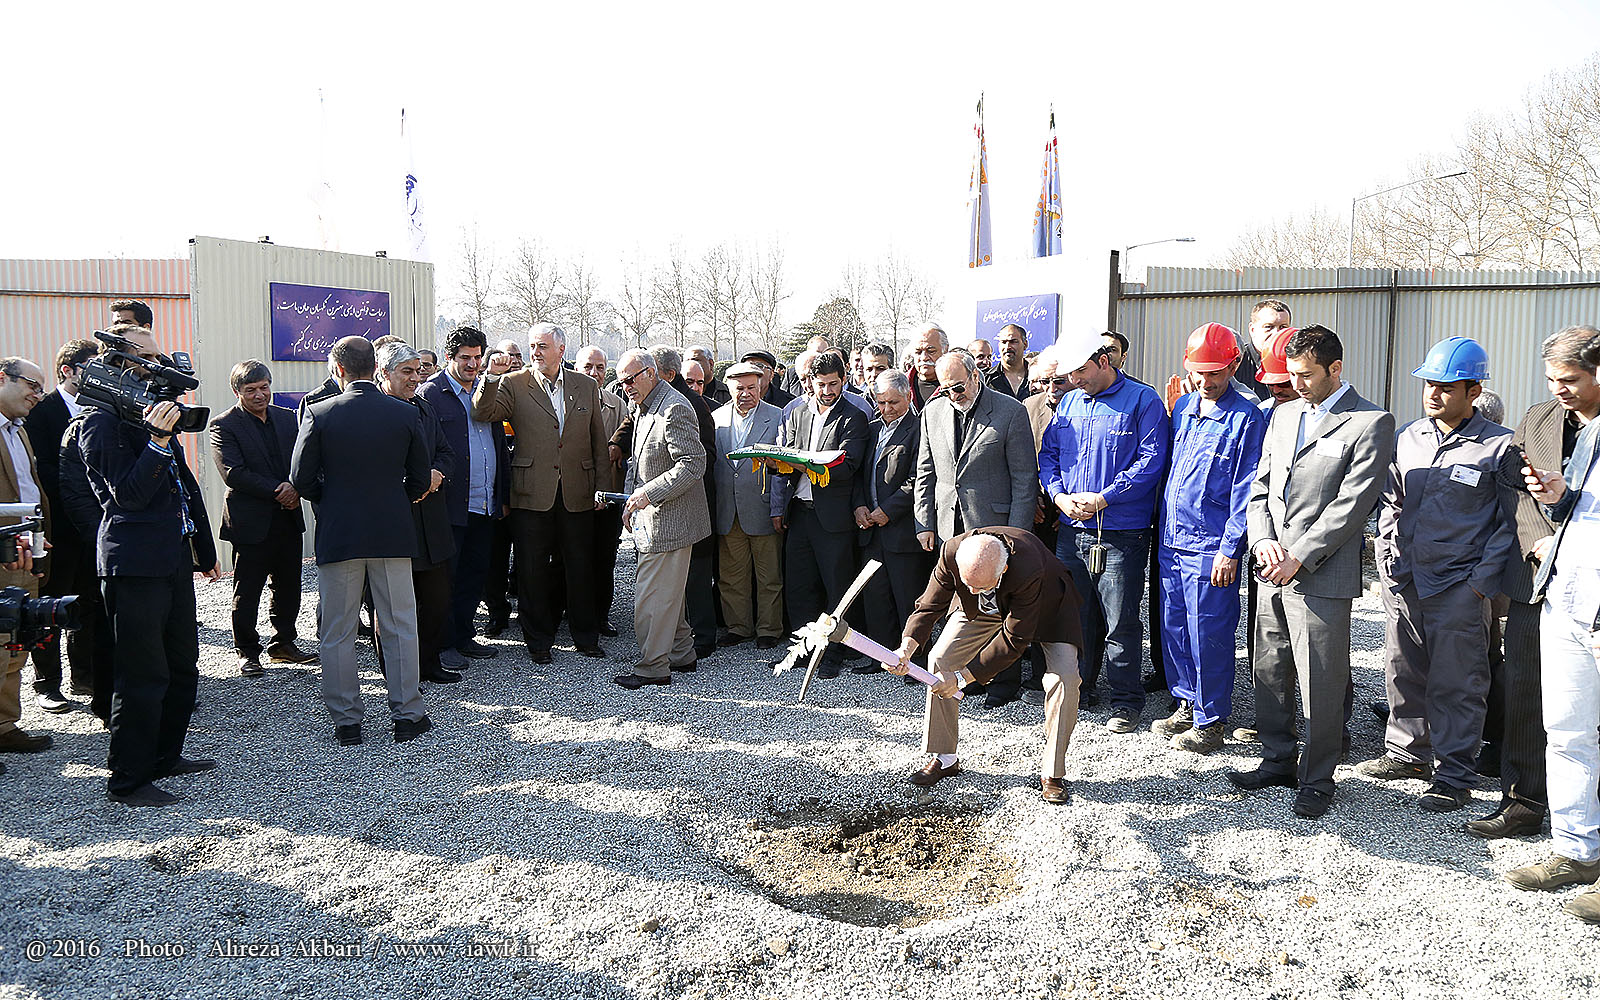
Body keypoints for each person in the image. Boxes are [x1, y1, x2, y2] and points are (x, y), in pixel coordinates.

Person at [1228, 325, 1395, 820]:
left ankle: (1319, 777)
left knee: (1321, 680)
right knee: (1269, 668)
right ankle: (1277, 759)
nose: (1296, 385)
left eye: (1306, 375)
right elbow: (1260, 487)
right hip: (1271, 567)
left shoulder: (1369, 422)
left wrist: (1298, 555)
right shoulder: (1283, 415)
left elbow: (1352, 504)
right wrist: (1262, 540)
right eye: (1291, 375)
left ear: (1335, 369)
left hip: (1320, 574)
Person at [1360, 338, 1516, 811]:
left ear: (1474, 391)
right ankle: (1408, 752)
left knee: (1457, 682)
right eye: (1429, 383)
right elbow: (1391, 501)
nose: (1434, 394)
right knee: (1403, 667)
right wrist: (1386, 553)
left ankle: (1454, 774)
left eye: (1447, 387)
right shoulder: (1408, 437)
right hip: (1405, 578)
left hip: (1459, 586)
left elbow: (1510, 524)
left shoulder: (1500, 447)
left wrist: (1479, 585)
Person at [77, 327, 222, 805]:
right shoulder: (99, 423)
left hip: (171, 555)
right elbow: (130, 495)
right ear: (119, 361)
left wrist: (203, 550)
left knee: (181, 664)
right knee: (142, 673)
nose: (159, 369)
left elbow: (183, 487)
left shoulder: (146, 414)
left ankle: (164, 756)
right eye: (149, 358)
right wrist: (159, 439)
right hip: (134, 563)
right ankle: (128, 779)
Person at [1472, 328, 1600, 839]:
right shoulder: (1538, 418)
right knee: (1525, 690)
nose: (1558, 389)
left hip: (1591, 583)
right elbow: (1513, 488)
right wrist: (1538, 542)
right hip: (1535, 579)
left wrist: (1567, 539)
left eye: (1569, 380)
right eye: (1551, 379)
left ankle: (1586, 817)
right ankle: (1523, 801)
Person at [291, 336, 432, 747]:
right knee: (400, 624)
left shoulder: (319, 413)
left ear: (338, 370)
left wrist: (332, 500)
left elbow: (301, 479)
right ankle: (407, 714)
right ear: (375, 367)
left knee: (337, 630)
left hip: (341, 533)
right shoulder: (404, 413)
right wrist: (396, 500)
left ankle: (347, 721)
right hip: (392, 531)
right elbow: (420, 478)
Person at [891, 529, 1084, 804]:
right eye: (967, 584)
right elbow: (929, 606)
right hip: (983, 609)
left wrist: (961, 679)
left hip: (1047, 608)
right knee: (940, 659)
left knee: (1064, 679)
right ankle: (945, 757)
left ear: (1003, 569)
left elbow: (1014, 640)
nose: (970, 591)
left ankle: (1052, 772)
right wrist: (906, 649)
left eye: (978, 586)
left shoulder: (1029, 567)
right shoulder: (952, 553)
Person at [1039, 329, 1170, 724]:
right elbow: (1050, 455)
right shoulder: (1070, 403)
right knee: (1075, 616)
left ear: (1103, 361)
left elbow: (1151, 460)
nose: (1074, 380)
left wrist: (1106, 497)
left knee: (1120, 620)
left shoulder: (1143, 400)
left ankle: (1126, 700)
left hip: (1121, 530)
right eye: (1069, 374)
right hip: (1072, 528)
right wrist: (1059, 496)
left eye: (1080, 371)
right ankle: (1081, 687)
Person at [1151, 325, 1266, 753]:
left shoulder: (1246, 418)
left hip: (1210, 545)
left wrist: (1230, 549)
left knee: (1209, 633)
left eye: (1215, 372)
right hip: (1172, 539)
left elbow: (1247, 489)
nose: (1205, 381)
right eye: (1198, 372)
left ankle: (1211, 719)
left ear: (1234, 366)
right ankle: (1186, 701)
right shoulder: (1183, 408)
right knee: (1174, 626)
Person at [473, 323, 609, 664]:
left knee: (580, 566)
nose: (535, 352)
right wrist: (491, 377)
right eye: (532, 345)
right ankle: (538, 642)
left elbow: (598, 440)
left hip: (577, 491)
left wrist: (603, 489)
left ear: (561, 350)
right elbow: (482, 412)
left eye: (542, 346)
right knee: (531, 569)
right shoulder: (512, 383)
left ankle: (586, 637)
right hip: (531, 491)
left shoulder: (585, 385)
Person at [914, 350, 1040, 705]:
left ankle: (1003, 681)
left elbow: (1024, 479)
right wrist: (924, 521)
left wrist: (1017, 538)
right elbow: (925, 470)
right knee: (960, 602)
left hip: (994, 528)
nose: (954, 395)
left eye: (958, 387)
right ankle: (964, 676)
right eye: (945, 389)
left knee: (999, 603)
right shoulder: (932, 412)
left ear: (975, 376)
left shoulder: (1009, 411)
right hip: (948, 525)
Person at [207, 360, 314, 679]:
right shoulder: (223, 425)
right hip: (250, 523)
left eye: (264, 387)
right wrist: (279, 490)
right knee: (248, 589)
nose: (259, 395)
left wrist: (296, 486)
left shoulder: (287, 418)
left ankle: (284, 643)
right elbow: (233, 473)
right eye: (251, 390)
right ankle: (247, 651)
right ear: (237, 391)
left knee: (289, 586)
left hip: (287, 518)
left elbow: (303, 460)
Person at [614, 349, 711, 688]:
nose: (626, 387)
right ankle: (682, 654)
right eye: (622, 382)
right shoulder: (643, 406)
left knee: (651, 597)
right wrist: (631, 501)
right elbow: (637, 461)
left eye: (630, 380)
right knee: (668, 594)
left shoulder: (674, 408)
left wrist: (646, 495)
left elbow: (693, 464)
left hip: (671, 521)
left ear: (651, 373)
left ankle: (652, 667)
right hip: (655, 518)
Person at [772, 352, 870, 677]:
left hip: (834, 517)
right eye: (821, 384)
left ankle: (833, 654)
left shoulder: (853, 417)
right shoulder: (797, 412)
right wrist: (774, 462)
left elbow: (847, 466)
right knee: (799, 586)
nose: (827, 391)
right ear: (810, 382)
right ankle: (802, 651)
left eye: (833, 384)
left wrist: (802, 463)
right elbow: (786, 454)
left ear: (844, 380)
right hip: (800, 512)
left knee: (836, 587)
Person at [418, 327, 508, 666]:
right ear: (449, 357)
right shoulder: (431, 394)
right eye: (465, 358)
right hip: (449, 505)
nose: (472, 364)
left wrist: (501, 495)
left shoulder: (489, 390)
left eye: (477, 357)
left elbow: (499, 445)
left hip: (484, 503)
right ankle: (442, 644)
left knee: (474, 573)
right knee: (445, 579)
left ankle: (463, 635)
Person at [24, 339, 103, 714]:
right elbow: (40, 469)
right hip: (56, 529)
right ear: (67, 371)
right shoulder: (41, 412)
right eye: (90, 368)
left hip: (92, 526)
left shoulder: (100, 410)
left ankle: (84, 675)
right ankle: (47, 683)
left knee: (89, 604)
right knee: (50, 606)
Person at [376, 342, 458, 685]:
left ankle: (428, 662)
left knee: (436, 599)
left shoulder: (424, 408)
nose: (415, 377)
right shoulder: (375, 410)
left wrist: (436, 473)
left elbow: (446, 452)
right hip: (395, 522)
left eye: (417, 370)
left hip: (432, 521)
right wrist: (410, 483)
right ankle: (398, 674)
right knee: (394, 606)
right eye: (406, 371)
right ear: (384, 373)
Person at [853, 370, 929, 665]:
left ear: (908, 396)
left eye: (893, 402)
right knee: (876, 595)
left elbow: (919, 478)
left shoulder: (919, 428)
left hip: (902, 529)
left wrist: (889, 510)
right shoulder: (871, 429)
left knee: (908, 597)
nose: (887, 409)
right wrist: (859, 505)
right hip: (871, 528)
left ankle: (914, 662)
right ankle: (879, 657)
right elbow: (859, 474)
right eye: (881, 402)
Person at [0, 357, 54, 761]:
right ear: (3, 378)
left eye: (41, 388)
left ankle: (5, 725)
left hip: (26, 552)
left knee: (16, 642)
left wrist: (37, 535)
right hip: (4, 552)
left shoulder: (18, 430)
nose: (37, 395)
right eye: (32, 385)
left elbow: (27, 489)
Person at [711, 362, 784, 650]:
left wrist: (778, 507)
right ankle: (738, 627)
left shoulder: (777, 417)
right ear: (729, 388)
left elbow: (784, 468)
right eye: (740, 388)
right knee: (731, 575)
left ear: (761, 386)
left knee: (769, 575)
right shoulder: (716, 419)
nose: (746, 393)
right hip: (728, 509)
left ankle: (769, 629)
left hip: (763, 508)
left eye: (752, 387)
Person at [579, 345, 627, 636]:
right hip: (574, 493)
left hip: (608, 494)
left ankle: (600, 615)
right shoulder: (566, 399)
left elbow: (627, 438)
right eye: (588, 366)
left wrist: (618, 446)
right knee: (572, 557)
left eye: (599, 367)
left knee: (604, 557)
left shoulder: (617, 404)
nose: (594, 373)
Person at [988, 324, 1032, 400]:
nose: (1007, 347)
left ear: (1025, 344)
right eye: (1004, 342)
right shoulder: (987, 379)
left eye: (1013, 342)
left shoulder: (1039, 378)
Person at [908, 324, 947, 410]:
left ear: (945, 350)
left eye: (931, 351)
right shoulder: (901, 385)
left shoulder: (956, 386)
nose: (924, 358)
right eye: (918, 352)